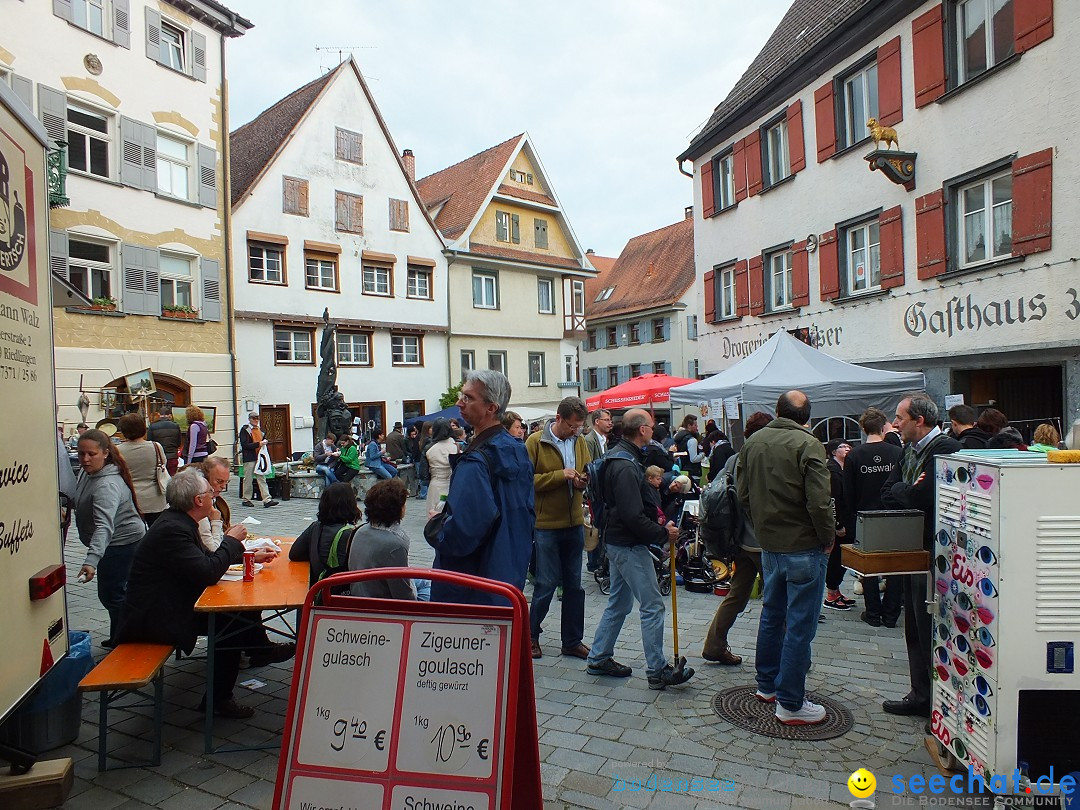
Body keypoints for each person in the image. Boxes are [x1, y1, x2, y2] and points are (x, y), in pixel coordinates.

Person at [117, 469, 284, 719]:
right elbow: (208, 571)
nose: (214, 496)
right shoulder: (173, 529)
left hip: (165, 606)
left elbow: (204, 560)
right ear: (198, 500)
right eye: (210, 492)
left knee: (236, 613)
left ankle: (257, 651)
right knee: (229, 621)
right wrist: (231, 541)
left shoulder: (178, 521)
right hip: (154, 618)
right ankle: (223, 694)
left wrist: (248, 555)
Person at [737, 391, 834, 725]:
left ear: (778, 411)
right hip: (803, 545)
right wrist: (827, 536)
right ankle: (790, 702)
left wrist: (764, 525)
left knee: (772, 614)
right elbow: (819, 502)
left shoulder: (753, 442)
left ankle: (767, 685)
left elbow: (744, 494)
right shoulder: (809, 444)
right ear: (806, 416)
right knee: (799, 626)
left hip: (771, 544)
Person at [586, 408, 695, 691]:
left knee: (619, 603)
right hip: (627, 544)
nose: (652, 428)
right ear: (643, 430)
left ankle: (599, 656)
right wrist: (662, 533)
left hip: (619, 541)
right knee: (652, 605)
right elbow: (632, 515)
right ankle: (657, 669)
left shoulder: (621, 457)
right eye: (650, 424)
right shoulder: (625, 465)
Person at [880, 392, 961, 717]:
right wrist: (908, 492)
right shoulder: (909, 451)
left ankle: (940, 705)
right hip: (913, 549)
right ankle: (920, 695)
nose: (895, 424)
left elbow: (919, 496)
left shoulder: (943, 450)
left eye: (900, 418)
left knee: (935, 628)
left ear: (919, 420)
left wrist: (907, 492)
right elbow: (889, 492)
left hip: (939, 552)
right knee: (914, 624)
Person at [427, 370, 535, 606]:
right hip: (507, 576)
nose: (459, 403)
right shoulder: (518, 449)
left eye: (468, 398)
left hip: (472, 586)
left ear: (491, 407)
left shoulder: (476, 460)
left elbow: (463, 531)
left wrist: (437, 527)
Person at [701, 411, 770, 665]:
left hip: (739, 540)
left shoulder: (734, 459)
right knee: (777, 601)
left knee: (737, 595)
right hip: (763, 542)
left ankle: (714, 644)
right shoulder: (763, 459)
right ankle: (781, 656)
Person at [525, 396, 591, 660]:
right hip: (546, 524)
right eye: (572, 426)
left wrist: (582, 482)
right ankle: (530, 635)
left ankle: (572, 640)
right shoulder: (535, 441)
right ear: (559, 418)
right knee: (546, 583)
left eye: (579, 426)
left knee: (574, 585)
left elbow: (586, 472)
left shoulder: (580, 442)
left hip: (574, 521)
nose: (576, 431)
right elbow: (526, 481)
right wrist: (559, 476)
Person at [75, 429, 146, 648]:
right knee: (114, 593)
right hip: (114, 544)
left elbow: (104, 526)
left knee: (113, 595)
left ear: (105, 453)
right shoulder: (88, 473)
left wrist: (91, 561)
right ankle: (121, 636)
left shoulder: (107, 485)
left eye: (91, 454)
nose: (85, 459)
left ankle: (127, 640)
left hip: (123, 544)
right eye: (81, 454)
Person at [841, 408, 903, 628]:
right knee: (896, 566)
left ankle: (873, 612)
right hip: (894, 516)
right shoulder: (896, 452)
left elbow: (848, 491)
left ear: (863, 428)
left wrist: (847, 521)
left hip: (865, 516)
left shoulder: (855, 455)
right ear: (883, 426)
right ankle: (891, 614)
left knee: (868, 566)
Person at [349, 478, 416, 600]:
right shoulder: (395, 545)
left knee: (422, 582)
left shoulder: (360, 531)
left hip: (360, 597)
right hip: (381, 608)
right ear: (397, 508)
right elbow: (403, 596)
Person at [290, 481, 363, 585]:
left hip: (319, 590)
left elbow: (294, 554)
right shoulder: (349, 534)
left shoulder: (315, 527)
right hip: (339, 595)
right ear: (349, 505)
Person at [115, 413, 168, 526]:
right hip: (155, 498)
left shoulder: (117, 451)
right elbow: (163, 464)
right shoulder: (156, 447)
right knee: (156, 533)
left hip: (130, 499)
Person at [822, 440, 854, 612]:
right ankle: (831, 593)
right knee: (836, 558)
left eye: (849, 446)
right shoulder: (832, 471)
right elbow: (833, 500)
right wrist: (838, 524)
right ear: (834, 452)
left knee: (842, 559)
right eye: (843, 447)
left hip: (847, 519)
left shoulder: (845, 469)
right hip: (839, 523)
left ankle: (836, 591)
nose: (847, 448)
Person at [239, 412, 278, 508]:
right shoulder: (245, 430)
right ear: (249, 419)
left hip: (259, 457)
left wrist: (263, 443)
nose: (256, 420)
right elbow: (244, 444)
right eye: (253, 418)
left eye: (257, 418)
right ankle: (246, 499)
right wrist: (258, 444)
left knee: (261, 477)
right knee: (248, 478)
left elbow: (261, 442)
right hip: (249, 457)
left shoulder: (260, 430)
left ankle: (267, 499)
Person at [424, 419, 458, 514]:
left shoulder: (429, 448)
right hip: (454, 484)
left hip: (436, 483)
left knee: (434, 515)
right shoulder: (457, 446)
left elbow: (424, 472)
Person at [148, 408, 182, 474]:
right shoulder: (176, 426)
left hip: (158, 458)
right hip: (172, 457)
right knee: (172, 477)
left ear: (159, 414)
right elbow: (178, 443)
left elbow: (150, 443)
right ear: (169, 415)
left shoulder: (152, 427)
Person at [672, 415, 705, 479]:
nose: (697, 427)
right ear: (689, 426)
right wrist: (703, 454)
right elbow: (693, 459)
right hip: (693, 472)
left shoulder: (679, 437)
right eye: (695, 425)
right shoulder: (692, 440)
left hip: (682, 470)